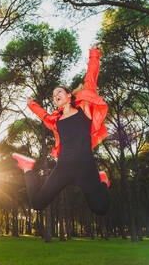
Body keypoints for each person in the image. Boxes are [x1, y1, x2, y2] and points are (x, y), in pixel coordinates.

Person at [12, 43, 110, 216]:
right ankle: (27, 167)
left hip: (85, 166)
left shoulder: (84, 110)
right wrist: (31, 105)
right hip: (63, 167)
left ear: (69, 95)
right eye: (53, 96)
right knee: (37, 203)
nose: (55, 95)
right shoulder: (56, 121)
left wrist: (94, 54)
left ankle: (102, 181)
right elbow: (43, 115)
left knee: (100, 208)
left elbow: (90, 80)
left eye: (59, 92)